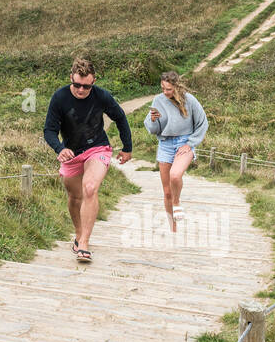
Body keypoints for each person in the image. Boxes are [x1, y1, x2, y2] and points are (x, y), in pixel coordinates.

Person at [43, 57, 133, 263]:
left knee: (90, 188)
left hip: (97, 147)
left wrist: (127, 148)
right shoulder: (60, 97)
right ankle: (78, 234)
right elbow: (49, 130)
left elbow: (120, 117)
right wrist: (60, 148)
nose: (81, 90)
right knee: (75, 198)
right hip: (72, 153)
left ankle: (84, 243)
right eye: (77, 85)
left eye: (86, 86)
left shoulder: (102, 96)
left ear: (93, 82)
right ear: (70, 79)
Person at [144, 71, 208, 232]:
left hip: (184, 142)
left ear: (176, 87)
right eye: (163, 88)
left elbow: (203, 123)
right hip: (165, 143)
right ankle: (173, 227)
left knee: (175, 175)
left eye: (169, 89)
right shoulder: (158, 100)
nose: (165, 92)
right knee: (166, 192)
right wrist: (153, 120)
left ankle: (177, 202)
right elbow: (153, 130)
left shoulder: (190, 100)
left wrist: (190, 143)